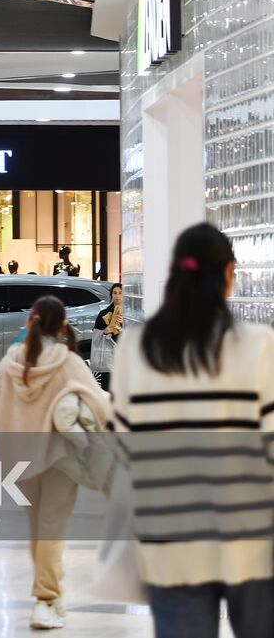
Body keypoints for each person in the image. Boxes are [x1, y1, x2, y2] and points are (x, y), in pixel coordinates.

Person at [110, 224, 274, 638]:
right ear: (228, 273)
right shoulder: (259, 345)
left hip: (170, 539)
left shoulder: (136, 347)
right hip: (249, 538)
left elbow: (123, 446)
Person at [0, 295, 111, 630]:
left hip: (18, 461)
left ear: (30, 320)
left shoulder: (10, 361)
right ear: (61, 325)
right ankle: (46, 599)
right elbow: (100, 409)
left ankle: (50, 597)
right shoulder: (68, 362)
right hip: (59, 459)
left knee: (38, 531)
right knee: (51, 530)